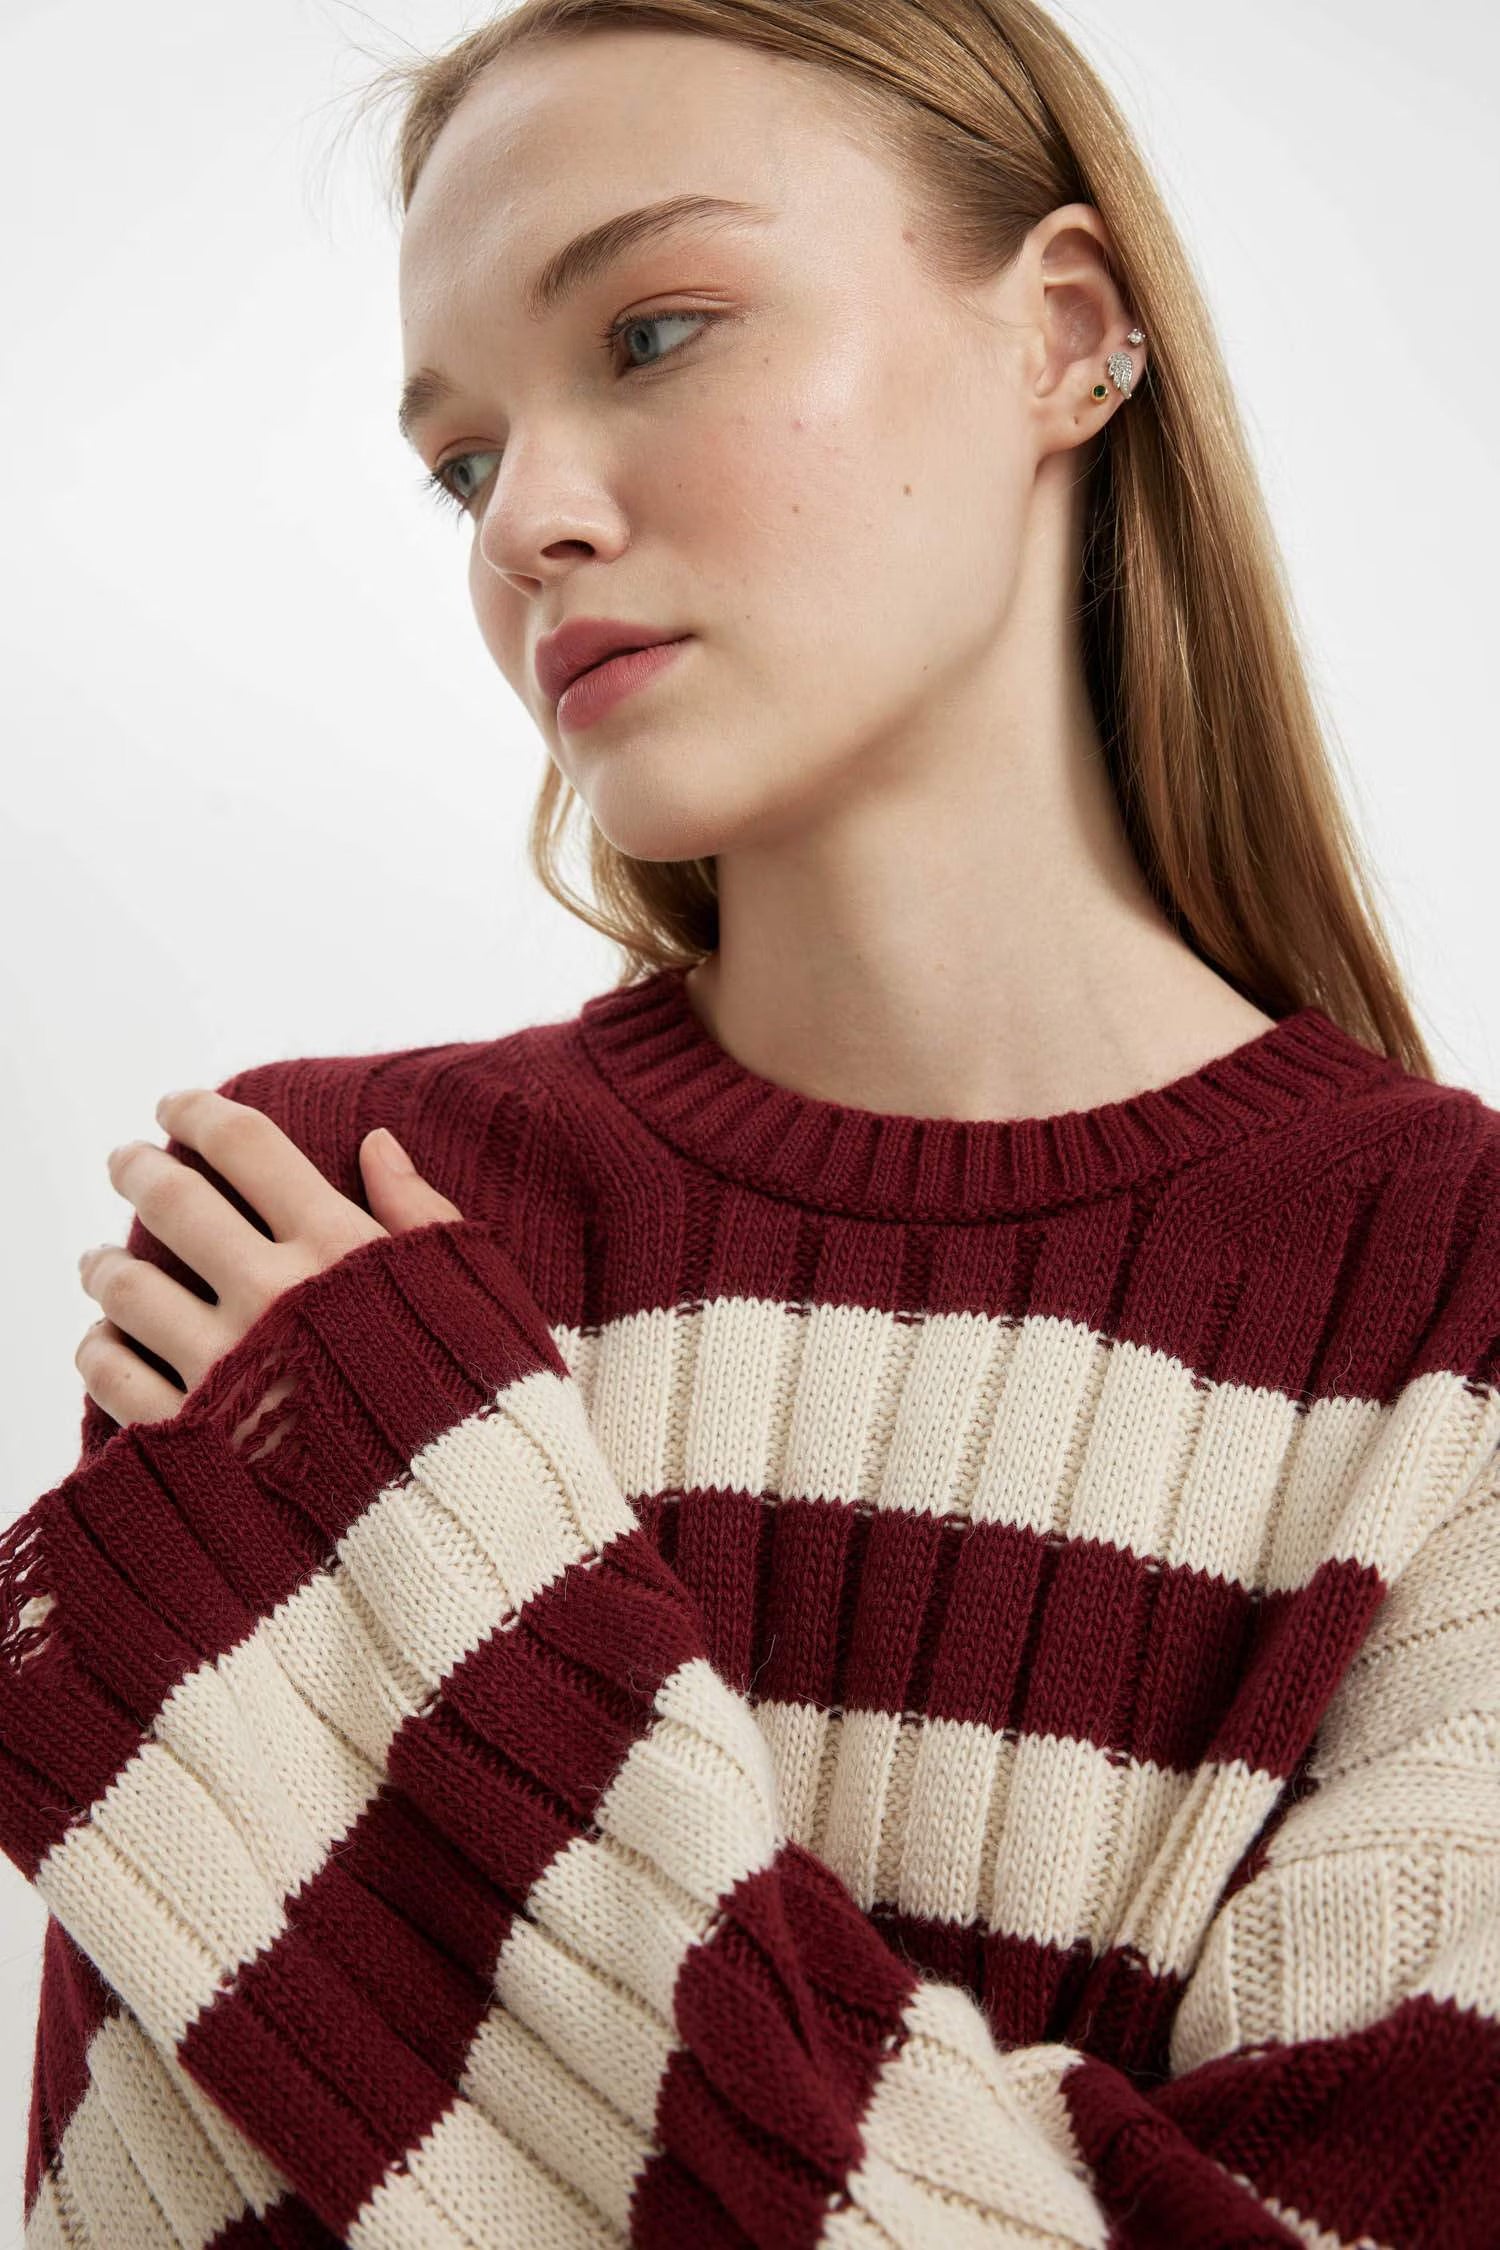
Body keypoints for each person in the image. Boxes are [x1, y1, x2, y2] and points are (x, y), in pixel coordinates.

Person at [6, 3, 1496, 2245]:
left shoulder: (1460, 1310)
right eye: (461, 462)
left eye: (655, 331)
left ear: (1064, 338)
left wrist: (466, 1588)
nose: (531, 522)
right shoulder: (306, 1225)